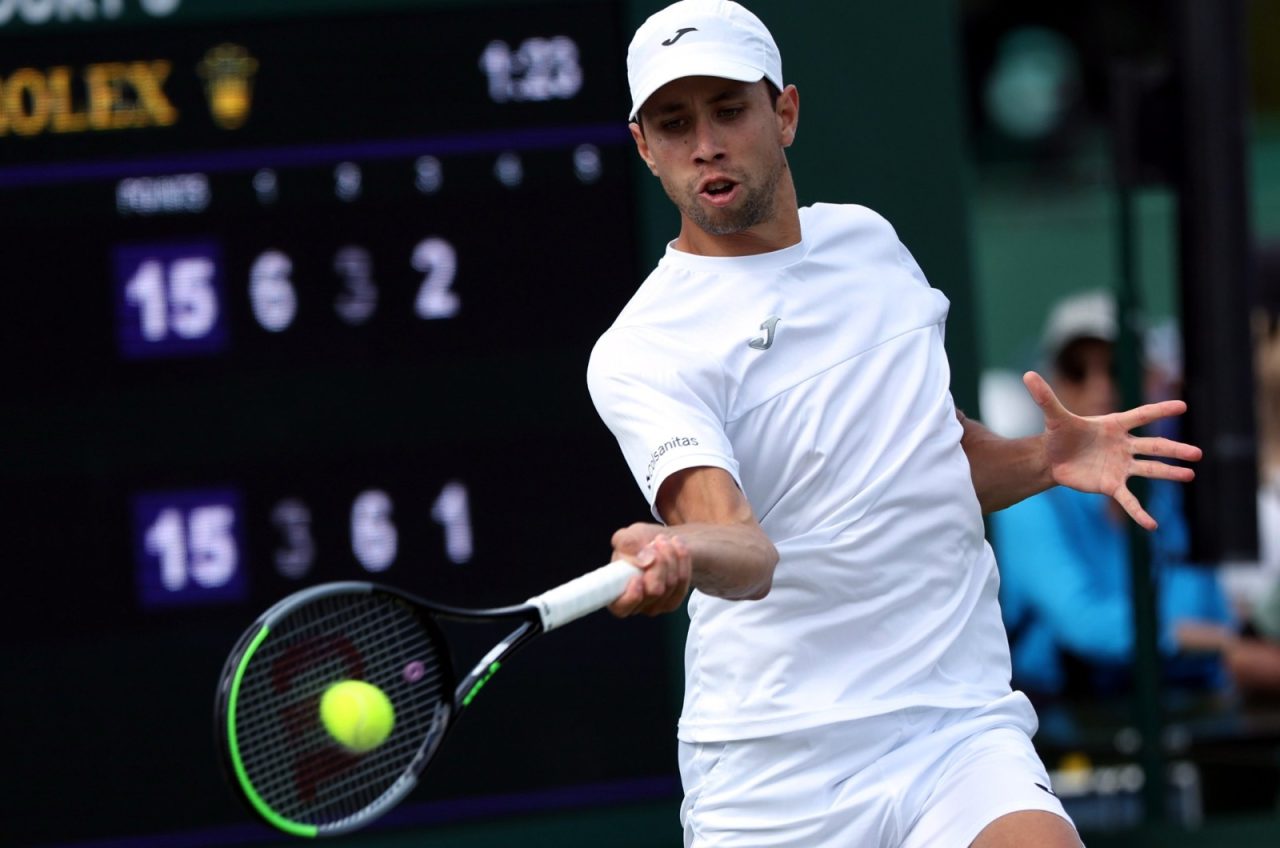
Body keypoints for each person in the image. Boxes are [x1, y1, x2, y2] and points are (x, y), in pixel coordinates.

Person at [585, 2, 1200, 845]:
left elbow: (927, 456)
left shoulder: (870, 245)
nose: (706, 144)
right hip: (774, 768)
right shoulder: (642, 351)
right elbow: (745, 548)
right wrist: (685, 552)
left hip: (953, 725)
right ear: (644, 146)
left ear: (785, 112)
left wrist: (1045, 458)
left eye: (729, 109)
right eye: (674, 122)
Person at [990, 291, 1235, 701]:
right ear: (1052, 381)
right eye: (1076, 370)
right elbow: (1082, 624)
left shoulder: (1177, 492)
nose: (1100, 387)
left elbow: (1212, 614)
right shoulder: (1028, 503)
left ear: (1148, 378)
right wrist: (1199, 641)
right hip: (1065, 726)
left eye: (1118, 368)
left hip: (1185, 712)